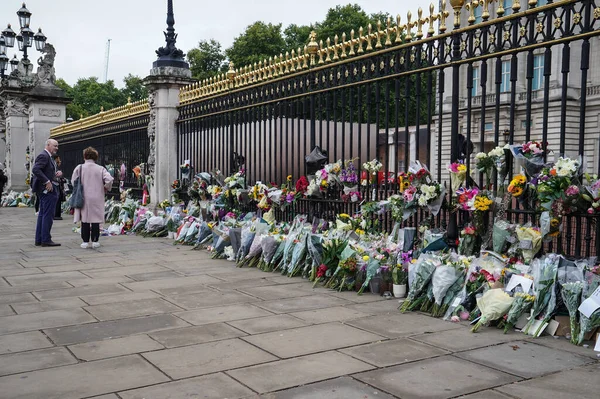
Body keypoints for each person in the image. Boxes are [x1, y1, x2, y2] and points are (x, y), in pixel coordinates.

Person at [72, 147, 113, 249]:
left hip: (83, 196)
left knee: (85, 219)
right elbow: (109, 179)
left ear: (84, 156)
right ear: (96, 157)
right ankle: (95, 240)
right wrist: (105, 187)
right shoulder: (100, 168)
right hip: (97, 196)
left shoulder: (79, 168)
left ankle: (85, 241)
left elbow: (73, 181)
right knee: (95, 219)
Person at [31, 139, 62, 247]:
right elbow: (35, 169)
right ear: (48, 145)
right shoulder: (44, 156)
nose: (56, 148)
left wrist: (55, 174)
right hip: (47, 190)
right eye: (55, 146)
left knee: (43, 214)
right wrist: (47, 181)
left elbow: (44, 171)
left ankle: (39, 239)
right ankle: (46, 239)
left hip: (44, 189)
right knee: (48, 215)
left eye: (57, 146)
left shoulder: (48, 157)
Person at [53, 155, 66, 220]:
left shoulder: (55, 164)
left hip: (57, 184)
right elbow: (54, 175)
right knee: (57, 199)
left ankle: (57, 214)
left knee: (58, 200)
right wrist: (59, 178)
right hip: (55, 184)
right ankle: (56, 215)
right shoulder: (53, 164)